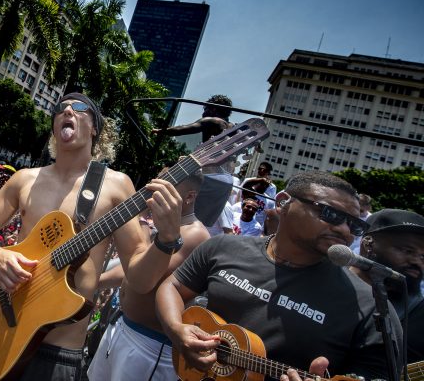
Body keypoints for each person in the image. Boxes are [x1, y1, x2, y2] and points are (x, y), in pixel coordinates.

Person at [0, 93, 184, 380]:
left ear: (95, 128)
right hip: (2, 336)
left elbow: (140, 280)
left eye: (79, 108)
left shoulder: (116, 185)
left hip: (57, 357)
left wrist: (166, 239)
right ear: (54, 126)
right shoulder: (24, 179)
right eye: (60, 108)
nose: (67, 110)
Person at [156, 171, 403, 381]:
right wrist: (177, 330)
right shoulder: (222, 247)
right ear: (283, 201)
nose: (344, 230)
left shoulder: (368, 307)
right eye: (331, 214)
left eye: (354, 225)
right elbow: (174, 287)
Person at [87, 172, 209, 381]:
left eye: (167, 184)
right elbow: (131, 268)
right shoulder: (166, 228)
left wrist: (141, 225)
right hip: (123, 327)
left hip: (148, 346)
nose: (154, 188)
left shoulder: (194, 235)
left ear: (188, 197)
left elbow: (146, 276)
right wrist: (91, 283)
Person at [153, 95, 235, 228]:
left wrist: (161, 131)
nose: (203, 112)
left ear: (213, 108)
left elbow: (184, 128)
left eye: (205, 108)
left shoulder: (212, 120)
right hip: (226, 180)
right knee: (201, 221)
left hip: (209, 175)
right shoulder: (234, 127)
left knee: (176, 201)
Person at [354, 208, 424, 363]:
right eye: (407, 250)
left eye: (423, 256)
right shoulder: (329, 284)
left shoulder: (419, 312)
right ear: (368, 245)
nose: (417, 261)